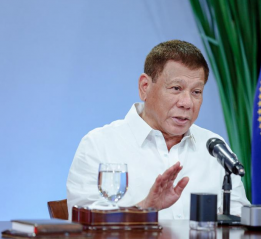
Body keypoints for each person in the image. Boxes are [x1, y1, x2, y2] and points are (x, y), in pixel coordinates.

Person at [66, 40, 250, 220]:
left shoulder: (214, 148)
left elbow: (242, 220)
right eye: (176, 88)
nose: (186, 103)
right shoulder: (99, 145)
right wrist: (144, 209)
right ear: (145, 87)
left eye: (196, 92)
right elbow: (84, 223)